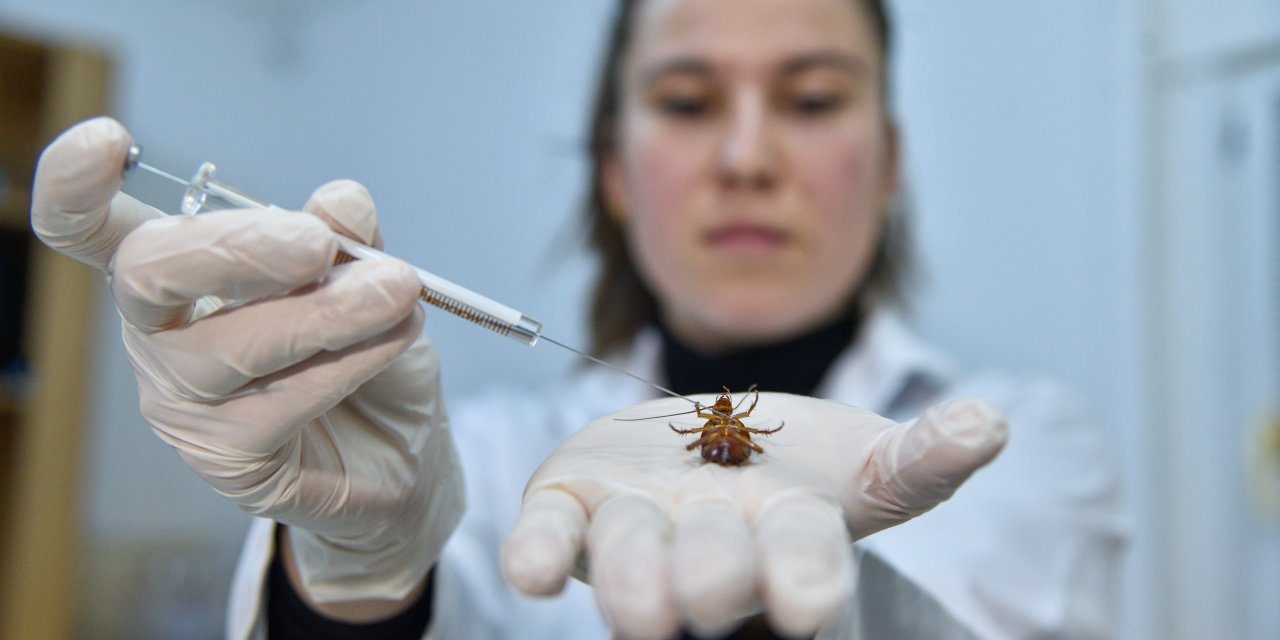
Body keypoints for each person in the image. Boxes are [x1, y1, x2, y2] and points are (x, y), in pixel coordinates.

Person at [30, 0, 1125, 638]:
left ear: (886, 161)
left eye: (811, 98)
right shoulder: (490, 462)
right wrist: (357, 578)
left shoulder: (1019, 444)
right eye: (688, 103)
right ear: (612, 168)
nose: (747, 159)